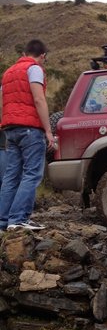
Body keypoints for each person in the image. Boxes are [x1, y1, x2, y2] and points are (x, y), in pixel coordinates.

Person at [0, 39, 53, 231]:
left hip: (10, 128)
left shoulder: (8, 72)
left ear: (24, 52)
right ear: (42, 55)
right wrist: (48, 131)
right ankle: (19, 219)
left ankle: (3, 222)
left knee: (11, 176)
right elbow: (39, 99)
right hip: (30, 129)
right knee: (32, 173)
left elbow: (2, 101)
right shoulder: (34, 69)